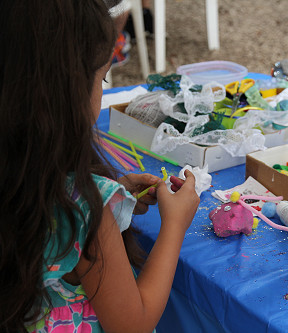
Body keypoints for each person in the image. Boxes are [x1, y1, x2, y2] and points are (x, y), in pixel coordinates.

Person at [0, 1, 200, 332]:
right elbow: (133, 324)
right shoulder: (84, 210)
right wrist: (174, 227)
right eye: (103, 78)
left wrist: (114, 195)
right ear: (69, 93)